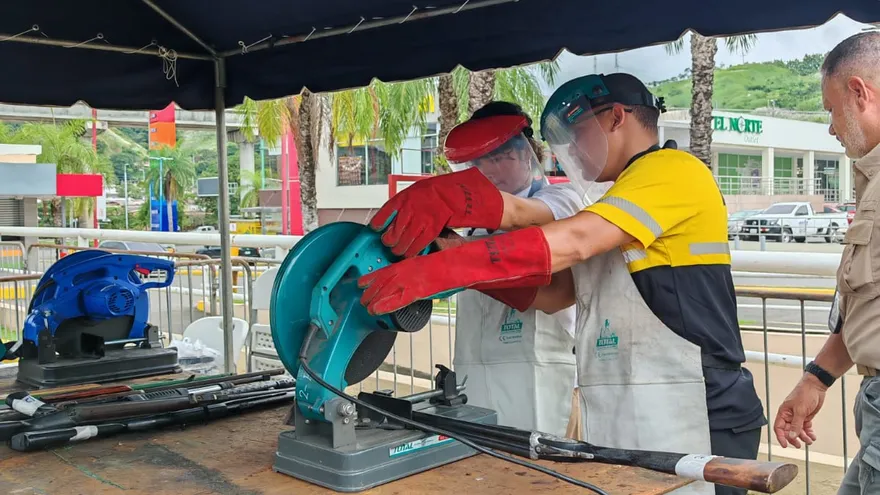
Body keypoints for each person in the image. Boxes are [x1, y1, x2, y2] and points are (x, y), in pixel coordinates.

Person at [359, 72, 766, 495]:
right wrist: (455, 259)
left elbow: (572, 238)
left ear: (616, 118)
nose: (571, 149)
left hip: (698, 403)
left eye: (577, 133)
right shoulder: (620, 199)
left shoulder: (673, 170)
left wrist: (450, 266)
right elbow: (556, 295)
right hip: (634, 404)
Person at [439, 101, 589, 436]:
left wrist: (462, 257)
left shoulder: (561, 201)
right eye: (479, 161)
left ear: (527, 155)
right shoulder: (472, 230)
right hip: (476, 377)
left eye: (499, 157)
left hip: (547, 378)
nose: (488, 170)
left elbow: (526, 217)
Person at [773, 32, 880, 495]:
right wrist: (815, 379)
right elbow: (868, 305)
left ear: (860, 93)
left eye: (831, 109)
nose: (832, 128)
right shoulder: (871, 180)